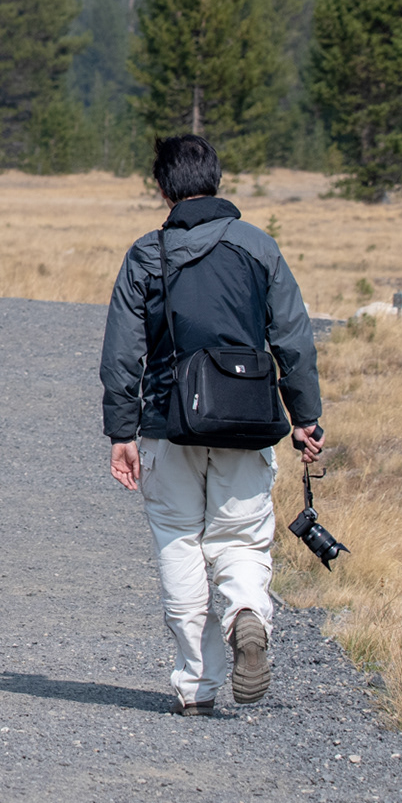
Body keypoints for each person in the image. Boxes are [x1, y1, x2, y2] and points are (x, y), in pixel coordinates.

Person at [100, 135, 323, 716]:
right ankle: (247, 612)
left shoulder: (147, 254)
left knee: (179, 540)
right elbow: (294, 340)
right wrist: (306, 420)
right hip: (247, 422)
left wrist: (122, 433)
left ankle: (196, 687)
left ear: (163, 187)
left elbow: (123, 355)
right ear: (217, 179)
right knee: (241, 538)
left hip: (167, 425)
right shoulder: (259, 247)